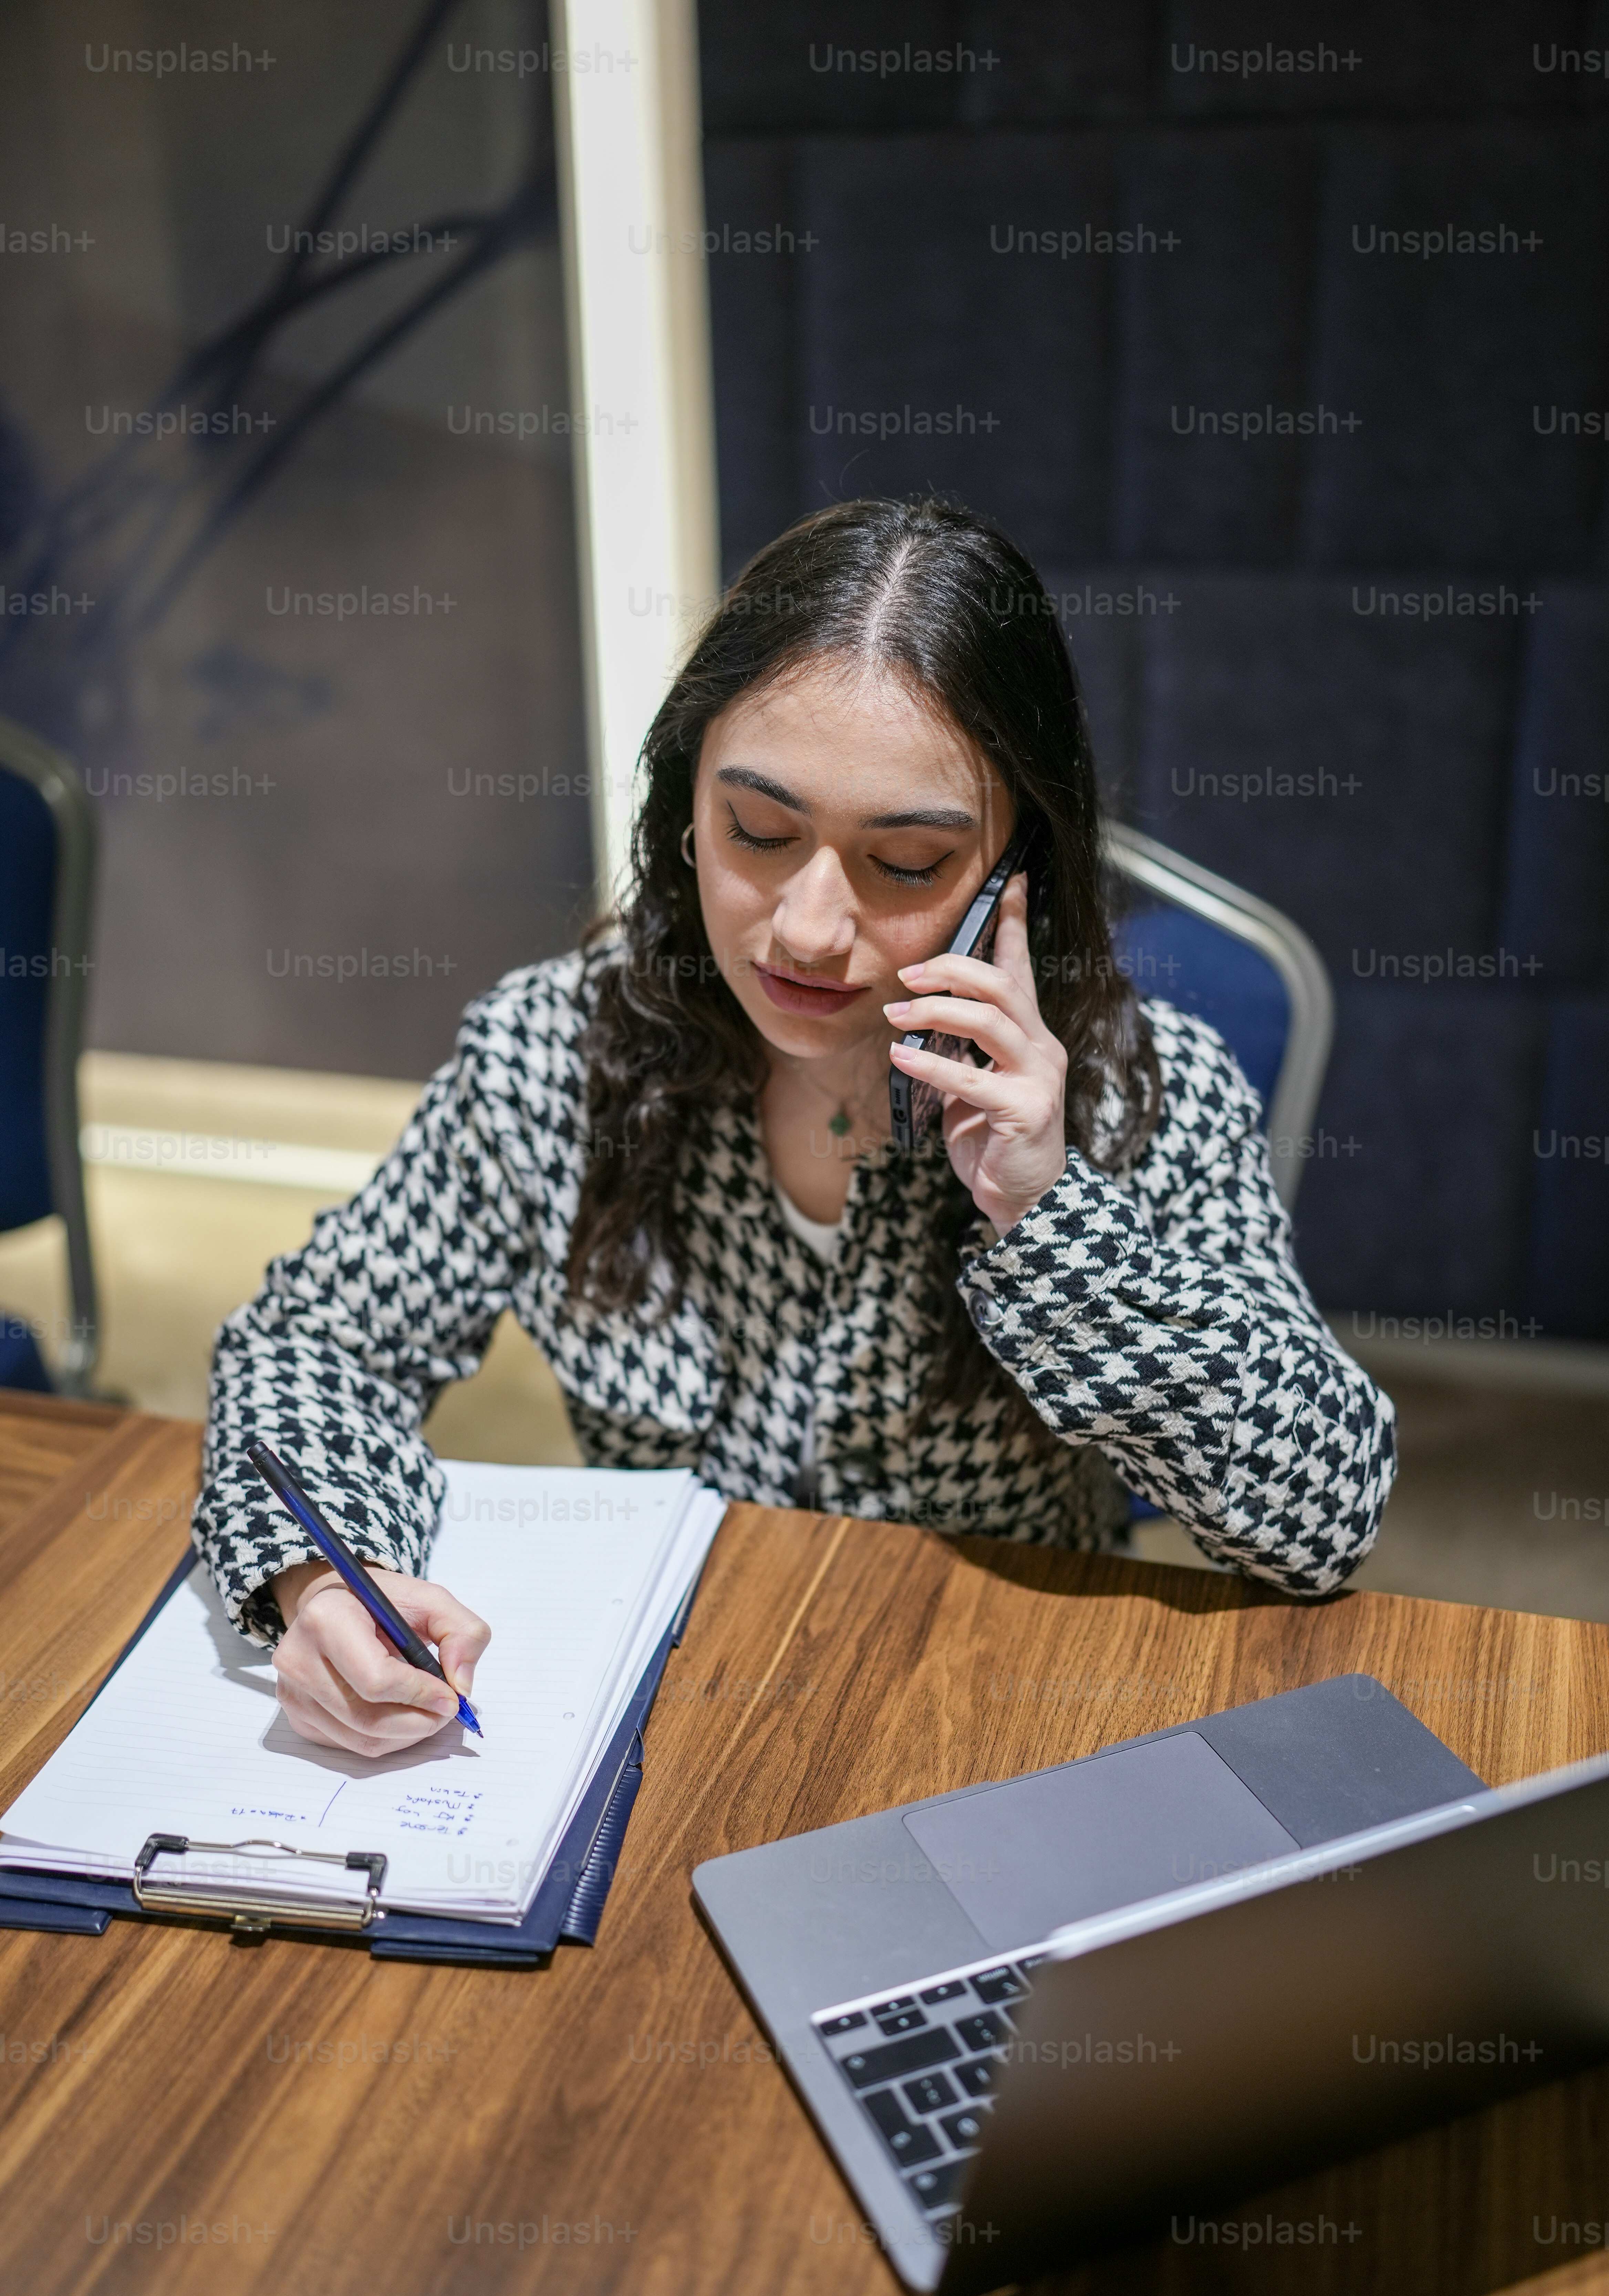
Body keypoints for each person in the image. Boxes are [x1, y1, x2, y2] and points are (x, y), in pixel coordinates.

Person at [193, 495, 1395, 1760]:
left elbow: (1323, 1519)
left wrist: (1048, 1209)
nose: (812, 929)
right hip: (670, 1718)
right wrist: (325, 1587)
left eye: (908, 863)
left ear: (1010, 873)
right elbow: (310, 1349)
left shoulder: (1131, 1090)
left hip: (1004, 1724)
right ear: (684, 809)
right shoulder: (558, 1055)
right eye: (759, 834)